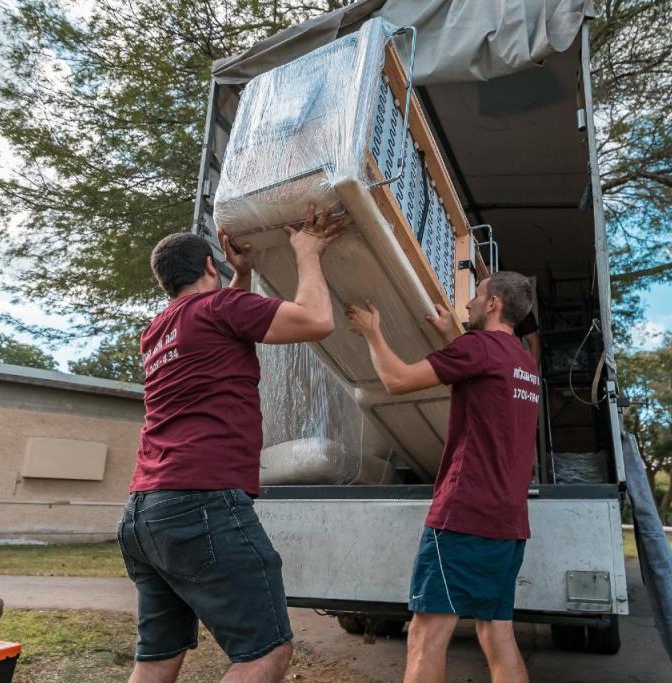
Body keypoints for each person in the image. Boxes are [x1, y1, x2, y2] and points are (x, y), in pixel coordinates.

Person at [118, 205, 342, 683]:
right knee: (265, 652)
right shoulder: (218, 308)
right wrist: (307, 251)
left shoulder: (157, 332)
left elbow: (224, 328)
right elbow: (316, 320)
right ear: (206, 266)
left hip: (144, 513)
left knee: (157, 657)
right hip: (200, 501)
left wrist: (241, 274)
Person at [345, 272, 540, 683]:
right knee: (496, 631)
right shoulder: (524, 362)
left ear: (493, 305)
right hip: (508, 521)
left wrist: (372, 333)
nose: (466, 305)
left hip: (464, 515)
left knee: (426, 635)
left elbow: (396, 381)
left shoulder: (479, 347)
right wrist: (452, 334)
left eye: (475, 296)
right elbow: (484, 373)